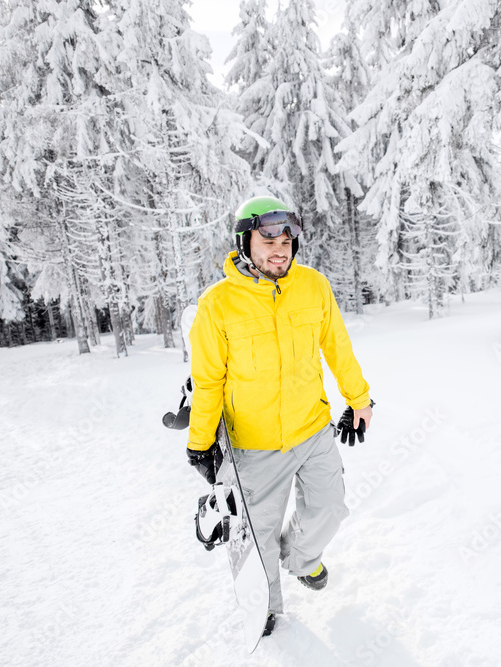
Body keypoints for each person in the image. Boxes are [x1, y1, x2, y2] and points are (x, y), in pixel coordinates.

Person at [185, 195, 373, 637]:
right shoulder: (217, 305)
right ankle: (265, 608)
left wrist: (360, 399)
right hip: (255, 445)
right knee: (258, 536)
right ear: (244, 241)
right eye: (267, 239)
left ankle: (302, 559)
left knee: (329, 507)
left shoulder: (313, 286)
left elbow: (337, 348)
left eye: (286, 240)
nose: (279, 248)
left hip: (312, 428)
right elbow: (208, 381)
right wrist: (200, 441)